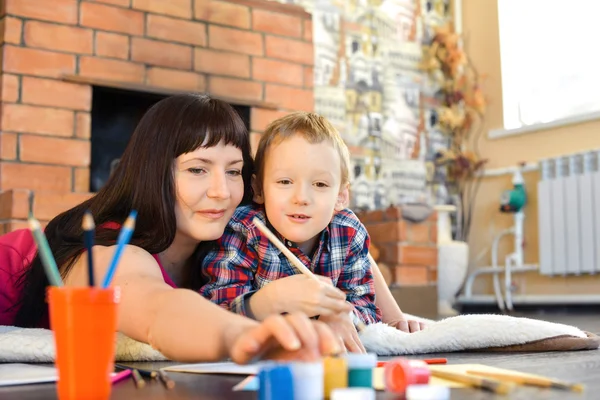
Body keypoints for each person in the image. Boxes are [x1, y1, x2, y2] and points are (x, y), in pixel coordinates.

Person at [0, 94, 341, 364]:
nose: (222, 191)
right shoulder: (111, 247)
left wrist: (337, 313)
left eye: (234, 171)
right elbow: (156, 310)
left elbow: (340, 232)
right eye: (197, 170)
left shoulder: (234, 240)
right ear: (154, 173)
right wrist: (239, 335)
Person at [201, 112, 387, 353]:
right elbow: (217, 308)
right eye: (285, 182)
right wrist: (271, 300)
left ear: (341, 197)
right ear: (258, 189)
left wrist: (342, 317)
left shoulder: (349, 232)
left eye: (320, 184)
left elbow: (366, 308)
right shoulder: (244, 229)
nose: (301, 198)